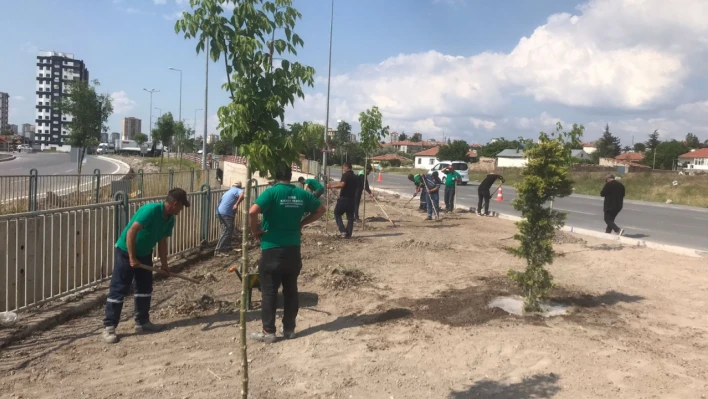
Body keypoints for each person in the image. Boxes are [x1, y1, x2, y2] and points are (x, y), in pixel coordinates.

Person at [249, 165, 326, 342]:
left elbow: (253, 212)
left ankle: (269, 332)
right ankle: (289, 329)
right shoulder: (302, 194)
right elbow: (321, 210)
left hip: (272, 248)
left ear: (274, 176)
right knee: (291, 290)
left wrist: (255, 231)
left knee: (269, 291)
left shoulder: (271, 193)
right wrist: (301, 223)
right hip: (293, 248)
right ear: (290, 176)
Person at [102, 188, 189, 344]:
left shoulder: (170, 219)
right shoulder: (151, 210)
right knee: (119, 288)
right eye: (181, 206)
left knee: (144, 288)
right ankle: (109, 327)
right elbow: (131, 232)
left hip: (144, 253)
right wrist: (132, 257)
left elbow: (162, 241)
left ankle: (142, 322)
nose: (181, 210)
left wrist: (164, 265)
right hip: (125, 251)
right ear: (175, 204)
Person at [328, 162, 358, 238]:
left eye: (344, 168)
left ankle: (343, 230)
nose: (343, 169)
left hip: (344, 199)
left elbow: (342, 184)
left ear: (347, 167)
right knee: (350, 217)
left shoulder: (346, 175)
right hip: (352, 200)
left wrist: (331, 186)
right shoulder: (355, 177)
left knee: (337, 213)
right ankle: (349, 234)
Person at [214, 182, 245, 256]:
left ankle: (227, 247)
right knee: (227, 230)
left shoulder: (229, 191)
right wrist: (236, 204)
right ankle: (218, 250)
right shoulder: (238, 190)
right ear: (240, 187)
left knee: (229, 229)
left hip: (220, 211)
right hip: (226, 213)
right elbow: (242, 196)